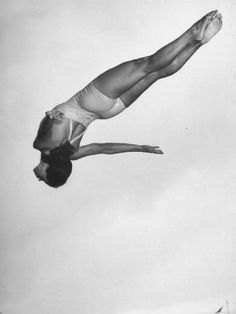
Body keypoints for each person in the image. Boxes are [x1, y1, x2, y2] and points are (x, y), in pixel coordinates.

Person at [33, 10, 222, 187]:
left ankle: (199, 43)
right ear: (50, 169)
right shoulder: (41, 145)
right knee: (147, 65)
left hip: (109, 111)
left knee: (157, 74)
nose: (38, 178)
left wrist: (139, 148)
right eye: (44, 178)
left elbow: (105, 148)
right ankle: (193, 34)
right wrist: (50, 117)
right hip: (91, 99)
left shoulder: (71, 154)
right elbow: (50, 121)